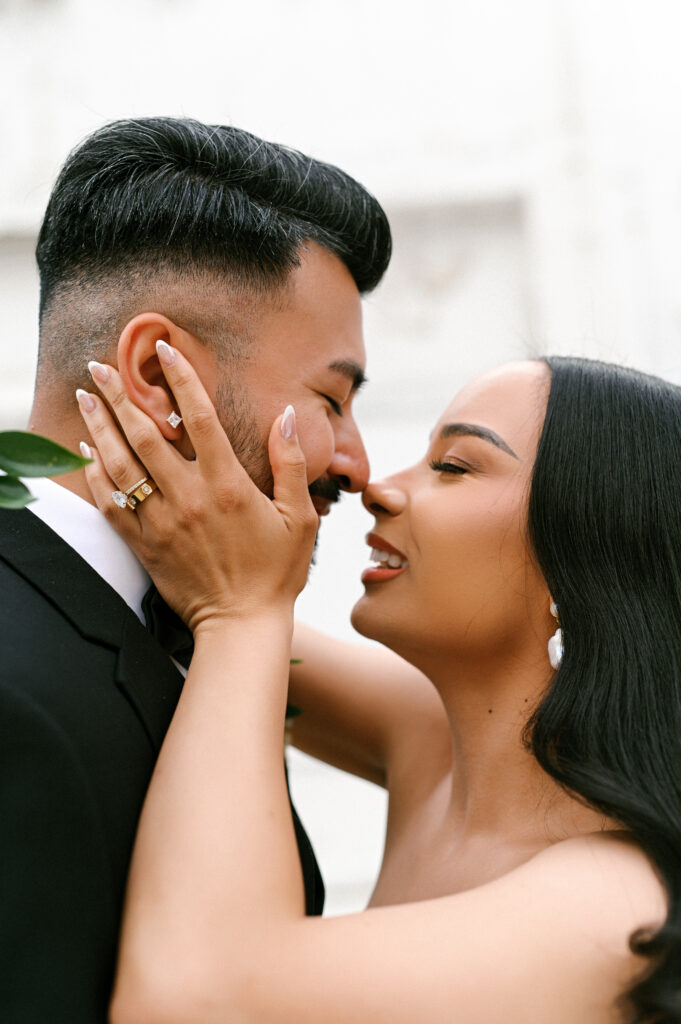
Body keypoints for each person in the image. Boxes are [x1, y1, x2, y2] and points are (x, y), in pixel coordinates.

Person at [76, 349, 679, 1023]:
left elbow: (192, 1001)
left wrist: (239, 615)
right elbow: (202, 571)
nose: (380, 487)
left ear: (583, 569)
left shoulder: (614, 907)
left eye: (453, 466)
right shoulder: (436, 738)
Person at [0, 116, 391, 1023]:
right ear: (155, 373)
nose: (359, 464)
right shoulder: (15, 691)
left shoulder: (206, 616)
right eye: (330, 398)